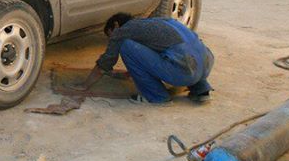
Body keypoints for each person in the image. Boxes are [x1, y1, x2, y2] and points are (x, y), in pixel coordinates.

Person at [71, 13, 214, 105]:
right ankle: (201, 90)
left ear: (115, 25)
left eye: (110, 35)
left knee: (126, 46)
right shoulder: (161, 21)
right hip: (206, 65)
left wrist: (85, 85)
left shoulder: (123, 30)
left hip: (184, 73)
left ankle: (157, 97)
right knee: (188, 51)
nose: (111, 39)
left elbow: (106, 62)